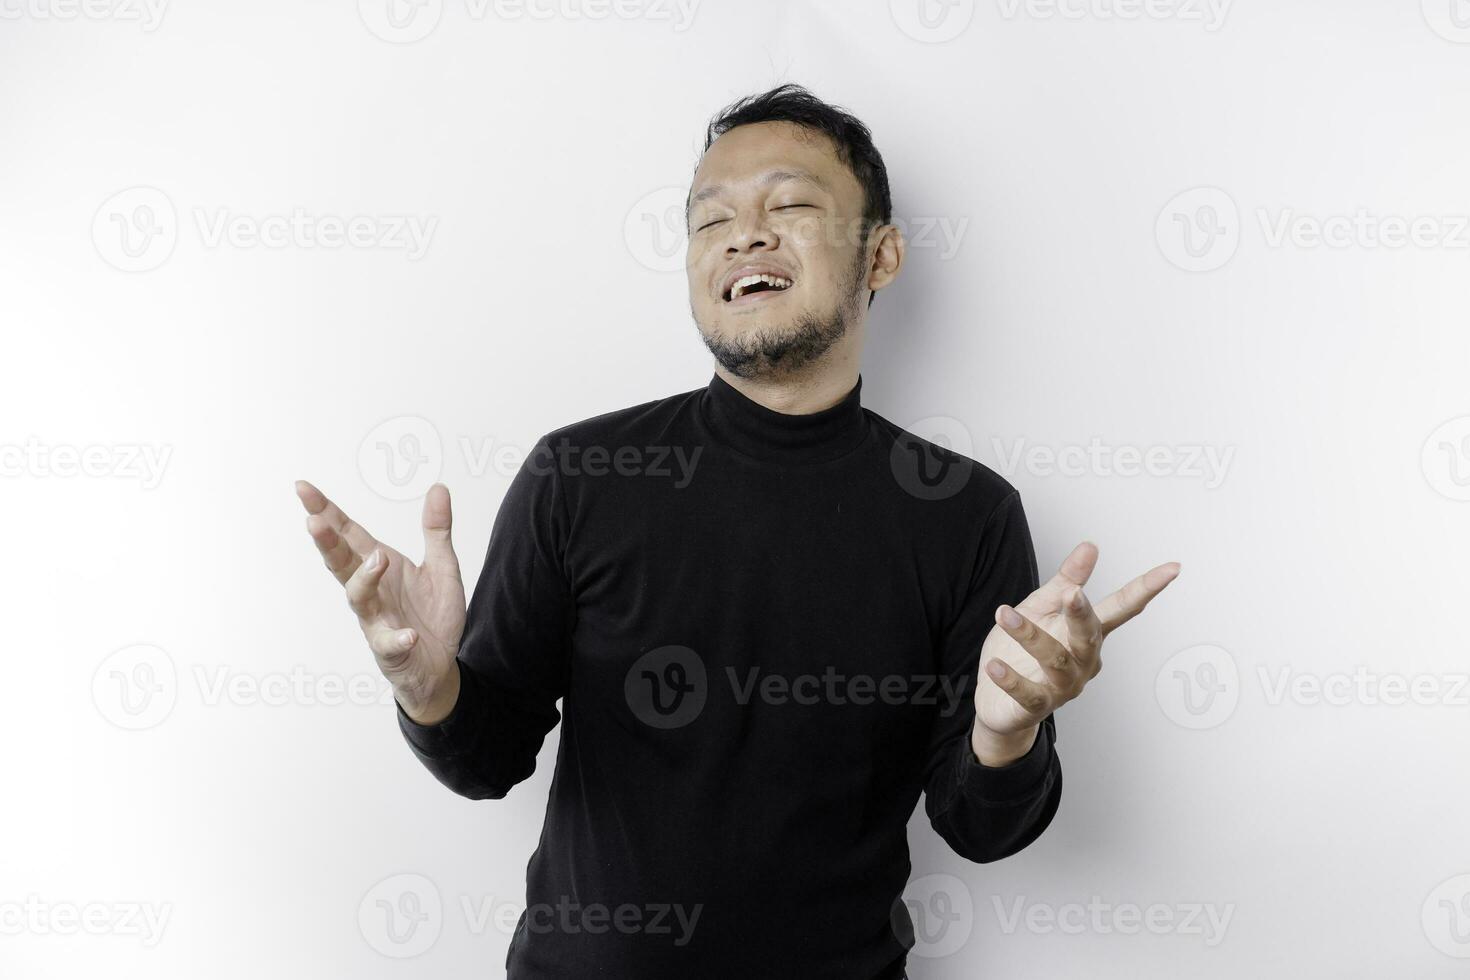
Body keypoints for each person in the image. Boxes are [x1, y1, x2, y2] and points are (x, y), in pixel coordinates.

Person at [295, 83, 1179, 979]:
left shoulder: (965, 513)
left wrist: (1004, 734)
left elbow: (981, 828)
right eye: (711, 221)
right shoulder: (580, 476)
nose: (745, 235)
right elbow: (485, 761)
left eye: (790, 205)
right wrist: (427, 685)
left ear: (882, 257)